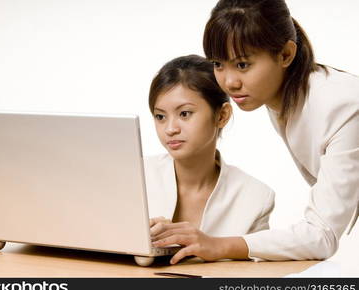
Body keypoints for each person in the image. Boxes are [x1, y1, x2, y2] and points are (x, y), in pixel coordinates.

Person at [153, 0, 359, 263]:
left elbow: (321, 236)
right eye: (218, 64)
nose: (229, 82)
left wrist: (218, 245)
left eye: (242, 65)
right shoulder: (281, 94)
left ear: (285, 54)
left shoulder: (341, 106)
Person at [145, 54, 275, 264]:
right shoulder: (135, 175)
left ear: (222, 115)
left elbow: (255, 278)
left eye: (185, 113)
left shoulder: (255, 197)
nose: (170, 129)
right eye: (160, 116)